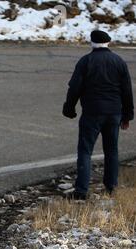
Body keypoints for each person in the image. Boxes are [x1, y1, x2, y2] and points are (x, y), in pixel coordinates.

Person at [63, 30, 134, 200]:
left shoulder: (85, 61)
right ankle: (111, 187)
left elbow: (75, 87)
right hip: (114, 113)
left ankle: (81, 191)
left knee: (85, 150)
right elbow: (127, 91)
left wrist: (69, 108)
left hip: (92, 112)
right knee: (111, 150)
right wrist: (127, 115)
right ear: (108, 42)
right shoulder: (119, 62)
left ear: (92, 43)